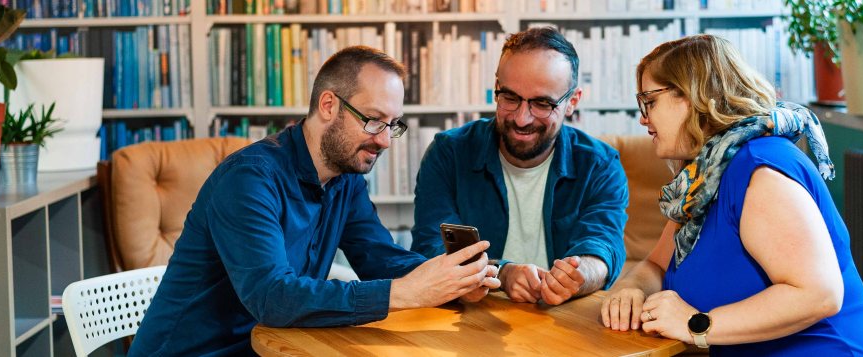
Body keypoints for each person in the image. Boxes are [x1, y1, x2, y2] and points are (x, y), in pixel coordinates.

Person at [129, 46, 499, 356]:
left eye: (393, 125)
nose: (385, 141)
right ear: (328, 105)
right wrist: (406, 291)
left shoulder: (345, 179)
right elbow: (272, 297)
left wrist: (454, 279)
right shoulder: (249, 179)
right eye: (374, 121)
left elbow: (380, 258)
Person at [600, 34, 863, 355]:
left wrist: (695, 323)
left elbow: (819, 294)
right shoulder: (708, 174)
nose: (643, 117)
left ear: (691, 95)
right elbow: (656, 265)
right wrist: (630, 290)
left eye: (650, 100)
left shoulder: (759, 169)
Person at [411, 27, 628, 306]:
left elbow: (603, 245)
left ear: (572, 102)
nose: (523, 119)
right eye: (510, 98)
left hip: (562, 321)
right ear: (496, 88)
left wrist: (579, 275)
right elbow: (431, 248)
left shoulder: (600, 165)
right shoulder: (449, 153)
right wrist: (503, 272)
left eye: (542, 103)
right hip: (473, 319)